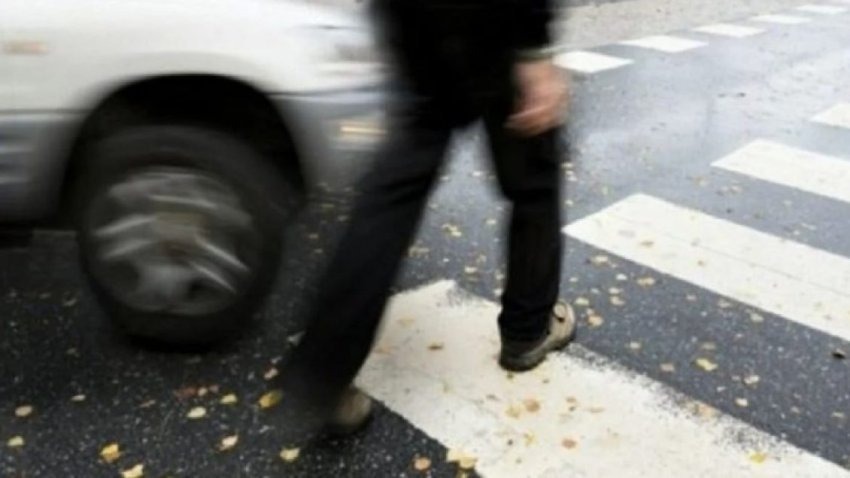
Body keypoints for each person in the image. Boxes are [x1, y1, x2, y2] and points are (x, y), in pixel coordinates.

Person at [279, 0, 576, 435]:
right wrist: (534, 47)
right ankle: (527, 330)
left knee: (392, 194)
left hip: (414, 19)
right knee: (533, 178)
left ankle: (323, 373)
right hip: (494, 23)